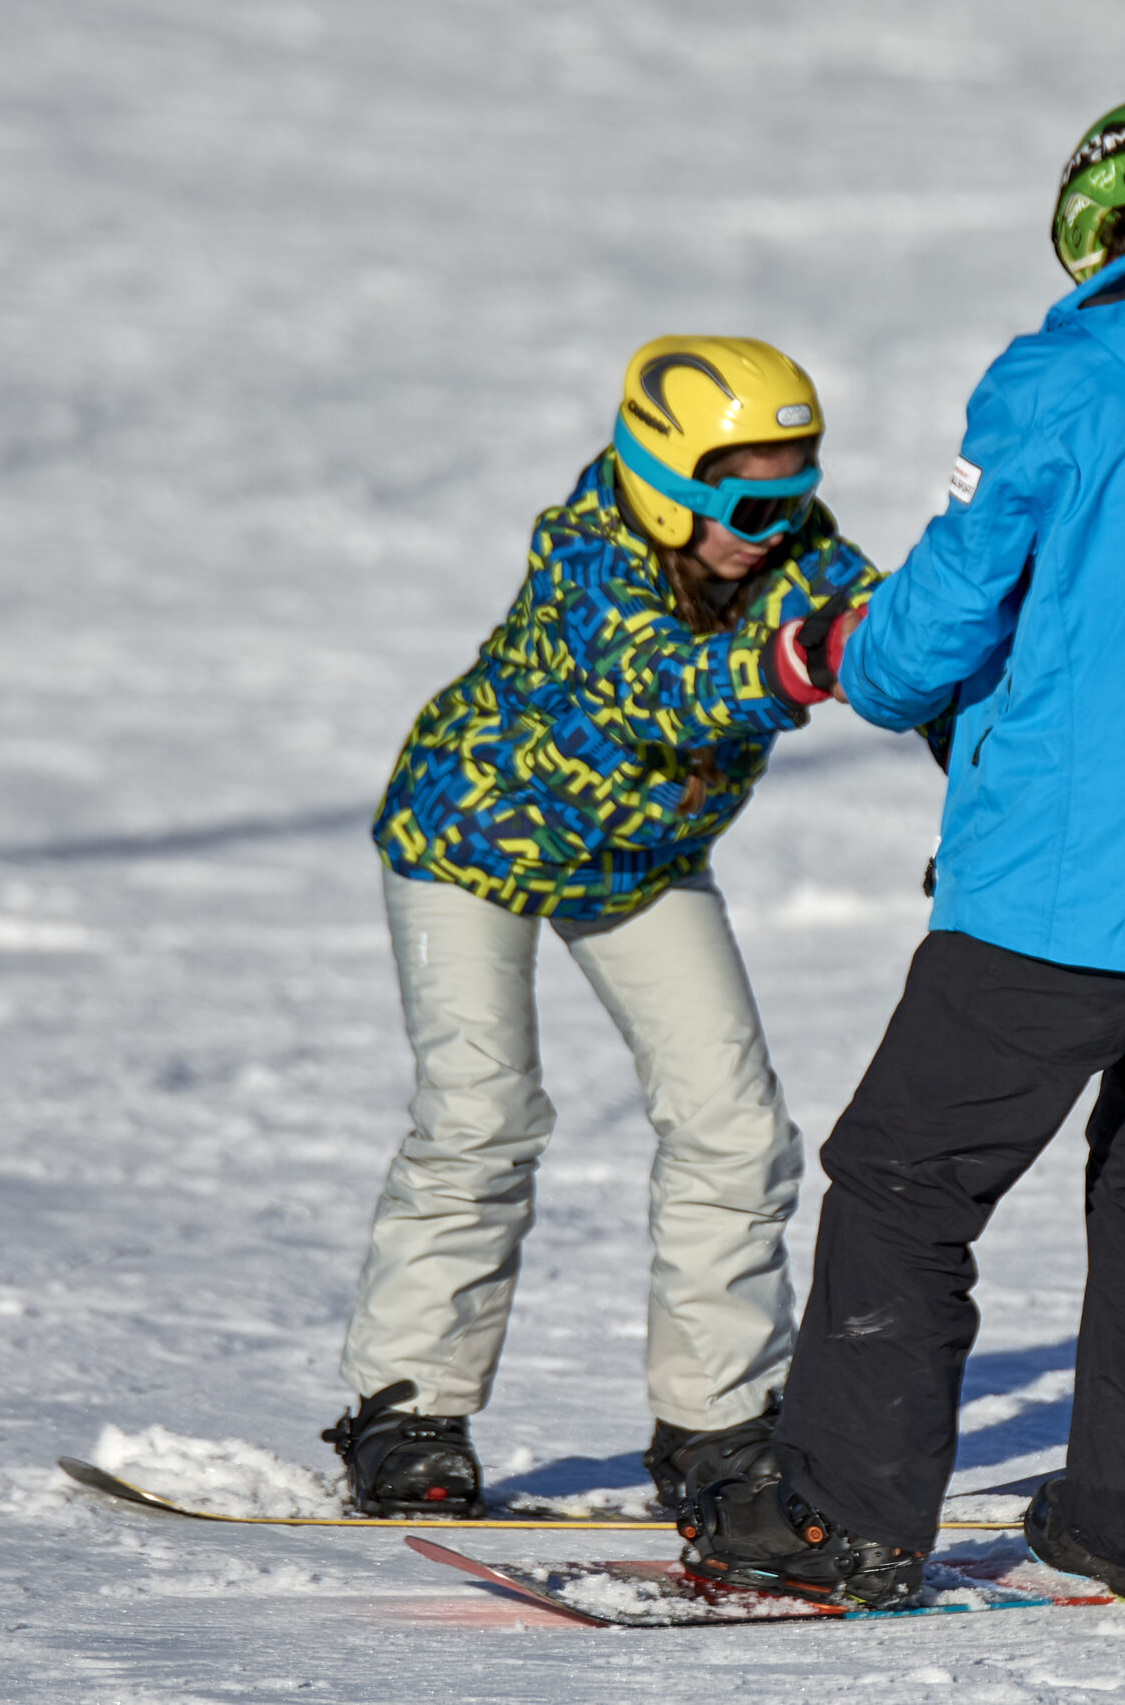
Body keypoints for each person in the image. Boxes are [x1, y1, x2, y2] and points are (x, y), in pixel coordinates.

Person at [675, 95, 1125, 1609]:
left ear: (1083, 225)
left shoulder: (1058, 379)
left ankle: (841, 1519)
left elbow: (922, 636)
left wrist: (865, 661)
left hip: (1067, 878)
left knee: (900, 1178)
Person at [324, 336, 887, 1516]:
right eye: (748, 497)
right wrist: (799, 660)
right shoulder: (584, 555)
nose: (775, 521)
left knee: (736, 1128)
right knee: (483, 1116)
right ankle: (406, 1412)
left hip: (638, 865)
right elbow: (665, 687)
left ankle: (716, 1421)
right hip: (468, 843)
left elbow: (889, 643)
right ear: (664, 482)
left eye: (797, 488)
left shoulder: (804, 561)